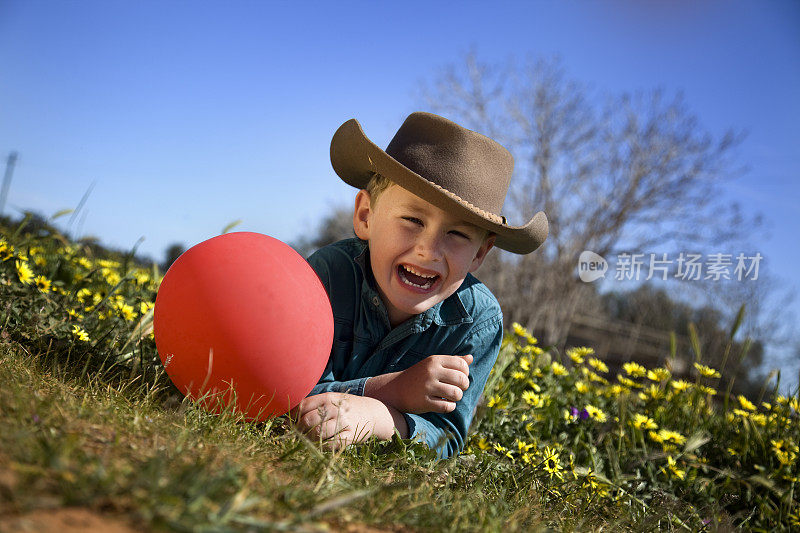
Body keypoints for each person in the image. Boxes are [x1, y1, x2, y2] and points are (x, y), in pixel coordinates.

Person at [291, 112, 548, 459]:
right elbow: (292, 391)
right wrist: (394, 391)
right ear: (366, 215)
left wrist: (379, 419)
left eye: (457, 234)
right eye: (412, 219)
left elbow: (446, 437)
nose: (429, 249)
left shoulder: (477, 320)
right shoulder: (328, 275)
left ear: (479, 255)